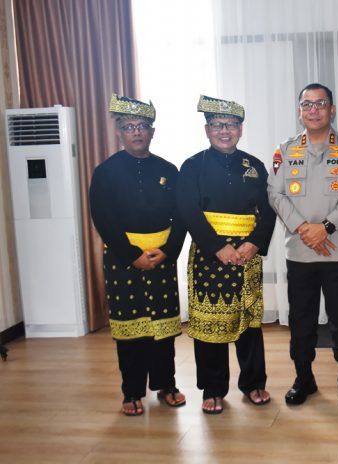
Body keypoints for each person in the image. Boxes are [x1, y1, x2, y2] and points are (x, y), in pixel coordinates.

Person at [267, 83, 338, 406]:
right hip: (300, 251)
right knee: (301, 320)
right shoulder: (284, 150)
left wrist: (325, 228)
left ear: (332, 109)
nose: (313, 110)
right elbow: (274, 193)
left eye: (320, 103)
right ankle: (304, 378)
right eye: (307, 104)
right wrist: (304, 229)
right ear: (299, 111)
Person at [177, 95, 276, 414]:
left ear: (240, 130)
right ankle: (213, 388)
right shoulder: (192, 166)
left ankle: (254, 382)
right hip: (210, 254)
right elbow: (188, 210)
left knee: (249, 324)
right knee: (210, 325)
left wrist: (254, 243)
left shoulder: (255, 166)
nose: (224, 130)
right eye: (217, 125)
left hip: (247, 253)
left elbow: (269, 209)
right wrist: (217, 246)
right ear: (207, 129)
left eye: (231, 124)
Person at [90, 94, 187, 416]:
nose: (136, 132)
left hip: (162, 257)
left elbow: (181, 215)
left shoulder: (169, 170)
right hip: (124, 259)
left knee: (163, 328)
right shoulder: (105, 172)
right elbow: (103, 218)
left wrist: (168, 251)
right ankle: (131, 392)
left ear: (152, 132)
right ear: (119, 131)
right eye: (129, 126)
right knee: (130, 329)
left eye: (142, 126)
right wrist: (132, 255)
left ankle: (166, 385)